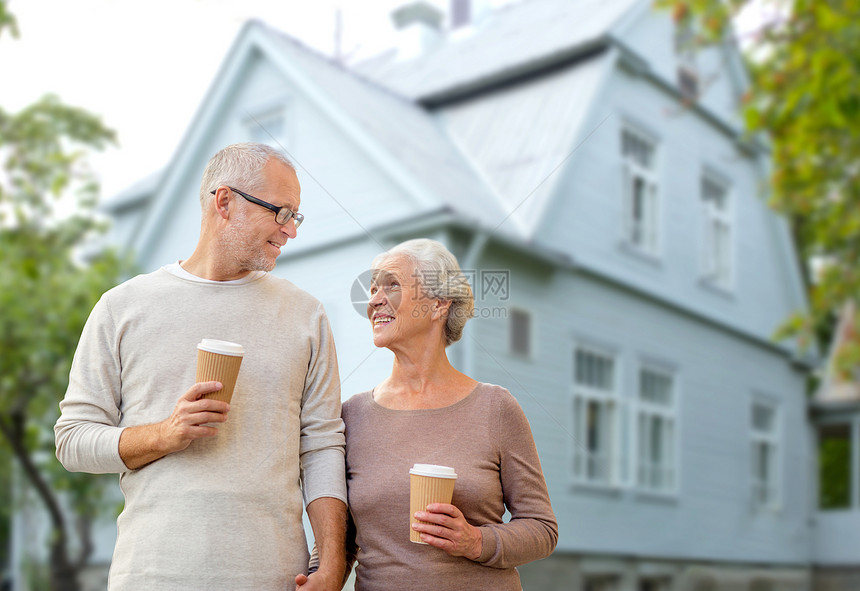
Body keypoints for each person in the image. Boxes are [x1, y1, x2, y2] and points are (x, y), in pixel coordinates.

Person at [54, 142, 347, 591]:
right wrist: (164, 434)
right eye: (280, 212)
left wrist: (330, 562)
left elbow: (322, 446)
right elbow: (73, 440)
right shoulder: (122, 307)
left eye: (296, 216)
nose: (291, 231)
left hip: (273, 577)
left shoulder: (305, 315)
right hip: (152, 575)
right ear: (224, 201)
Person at [341, 238, 558, 590]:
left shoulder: (496, 408)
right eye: (372, 288)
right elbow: (340, 542)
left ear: (439, 304)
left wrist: (475, 541)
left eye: (391, 285)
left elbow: (542, 528)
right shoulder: (352, 416)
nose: (374, 300)